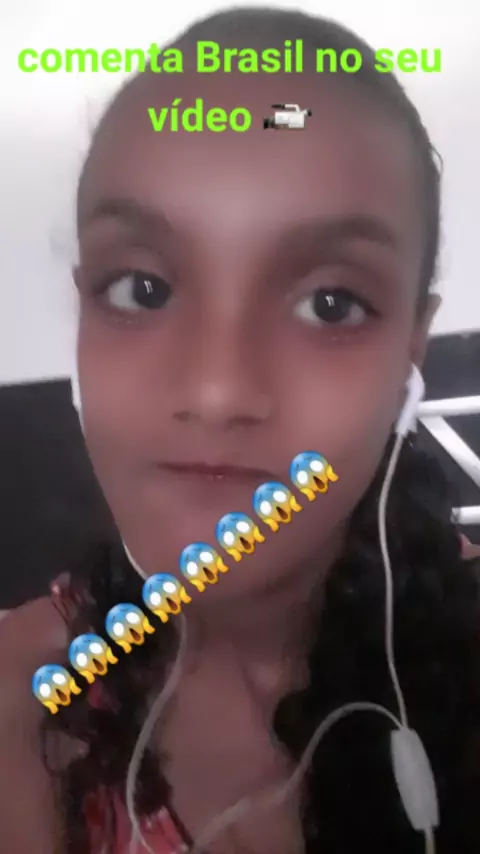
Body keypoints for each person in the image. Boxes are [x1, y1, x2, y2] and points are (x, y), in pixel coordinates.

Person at [1, 7, 480, 854]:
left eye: (330, 303)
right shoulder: (19, 692)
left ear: (412, 344)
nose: (217, 392)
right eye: (141, 289)